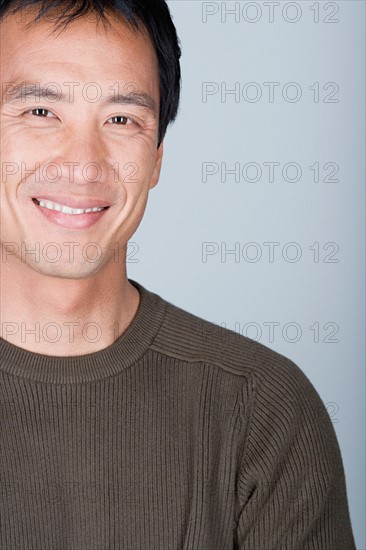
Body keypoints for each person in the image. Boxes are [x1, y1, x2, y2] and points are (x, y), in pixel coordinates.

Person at [0, 1, 356, 548]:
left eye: (122, 120)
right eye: (40, 112)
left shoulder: (263, 409)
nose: (83, 164)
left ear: (157, 157)